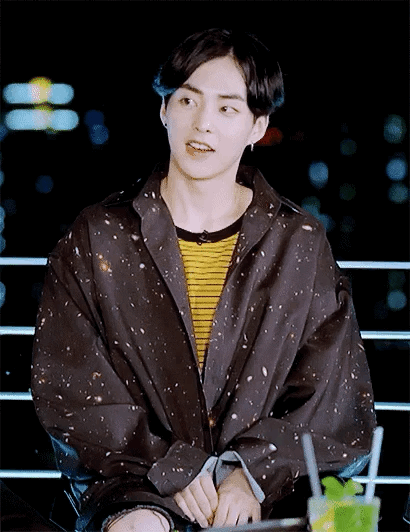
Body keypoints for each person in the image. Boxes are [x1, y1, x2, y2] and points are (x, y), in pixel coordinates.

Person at [31, 28, 377, 532]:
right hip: (136, 482)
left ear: (258, 126)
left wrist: (247, 473)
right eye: (188, 100)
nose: (203, 123)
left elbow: (332, 393)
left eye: (227, 108)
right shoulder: (99, 235)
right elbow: (71, 387)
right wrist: (172, 466)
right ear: (164, 109)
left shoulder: (298, 242)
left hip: (267, 492)